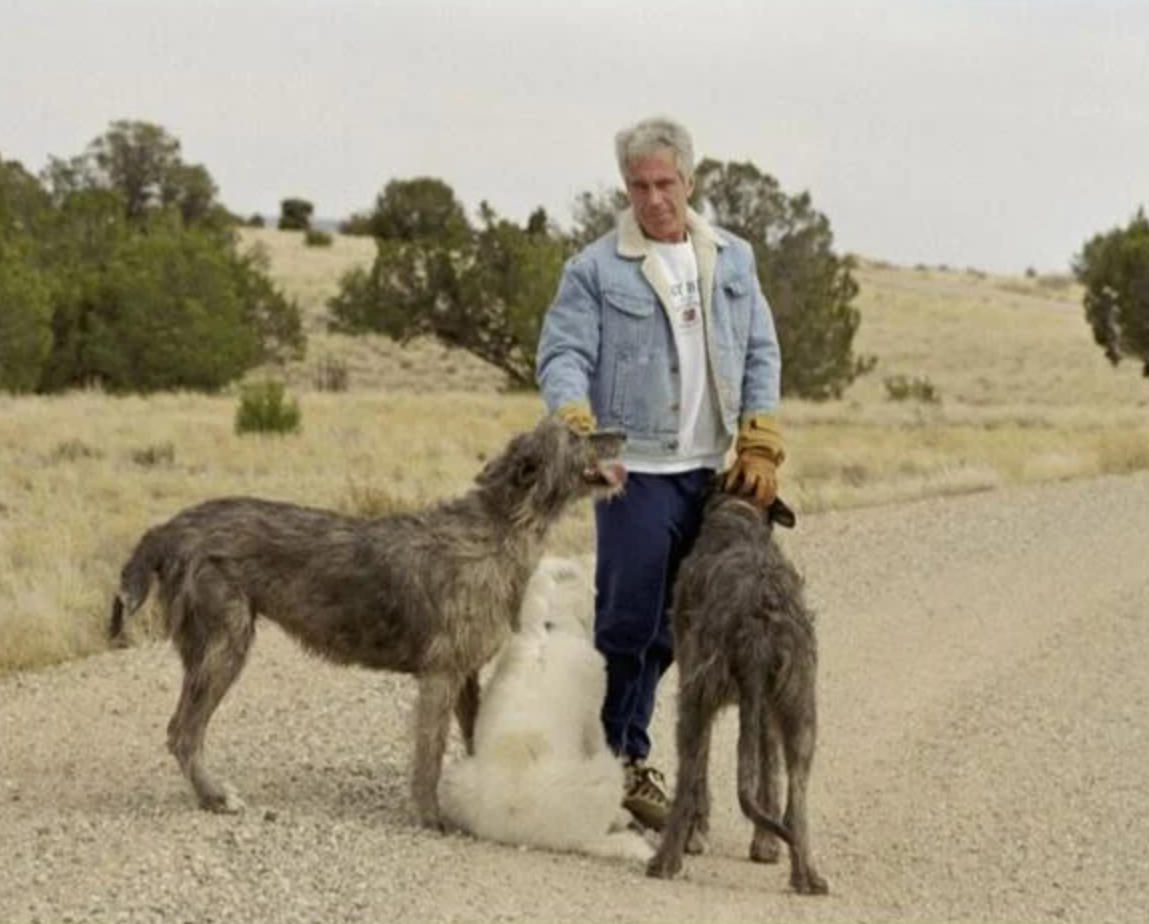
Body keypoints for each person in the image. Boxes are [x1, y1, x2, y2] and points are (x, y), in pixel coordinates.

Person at [536, 116, 786, 831]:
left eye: (664, 183)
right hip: (633, 471)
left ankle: (620, 751)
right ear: (625, 186)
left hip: (711, 476)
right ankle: (618, 759)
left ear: (689, 180)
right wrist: (573, 417)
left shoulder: (732, 259)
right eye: (638, 185)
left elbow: (760, 352)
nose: (652, 198)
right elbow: (561, 353)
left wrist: (761, 439)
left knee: (681, 629)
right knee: (627, 621)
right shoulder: (593, 268)